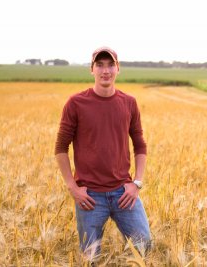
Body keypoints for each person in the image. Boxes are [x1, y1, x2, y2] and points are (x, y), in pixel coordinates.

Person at [55, 47, 151, 261]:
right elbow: (61, 147)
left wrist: (137, 183)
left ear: (118, 69)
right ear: (92, 70)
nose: (105, 70)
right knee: (91, 258)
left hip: (122, 193)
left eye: (110, 65)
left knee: (144, 246)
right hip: (89, 196)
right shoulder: (76, 103)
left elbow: (140, 145)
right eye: (100, 65)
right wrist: (73, 188)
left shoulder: (129, 103)